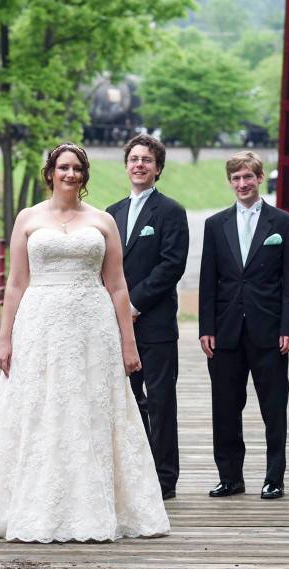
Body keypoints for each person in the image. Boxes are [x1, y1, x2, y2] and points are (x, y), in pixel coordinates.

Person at [0, 142, 170, 542]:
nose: (70, 174)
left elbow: (118, 285)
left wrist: (128, 343)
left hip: (92, 328)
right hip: (39, 325)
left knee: (91, 408)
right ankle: (35, 506)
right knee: (40, 407)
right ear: (50, 173)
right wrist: (4, 338)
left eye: (77, 168)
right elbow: (16, 284)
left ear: (84, 175)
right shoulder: (28, 218)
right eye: (63, 167)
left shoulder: (103, 221)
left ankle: (94, 507)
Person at [198, 151, 289, 500]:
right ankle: (230, 477)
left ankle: (274, 477)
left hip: (269, 329)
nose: (242, 184)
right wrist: (206, 327)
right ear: (230, 182)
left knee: (274, 406)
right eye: (236, 178)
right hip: (225, 329)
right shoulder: (215, 224)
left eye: (248, 177)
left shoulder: (284, 224)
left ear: (259, 178)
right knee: (225, 407)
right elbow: (208, 280)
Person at [106, 135, 189, 500]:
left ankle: (164, 478)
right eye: (134, 159)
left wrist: (134, 305)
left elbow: (171, 265)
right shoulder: (111, 213)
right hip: (115, 325)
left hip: (154, 324)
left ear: (158, 168)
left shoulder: (171, 211)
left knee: (160, 401)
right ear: (127, 165)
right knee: (124, 400)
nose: (139, 165)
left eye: (147, 160)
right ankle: (132, 473)